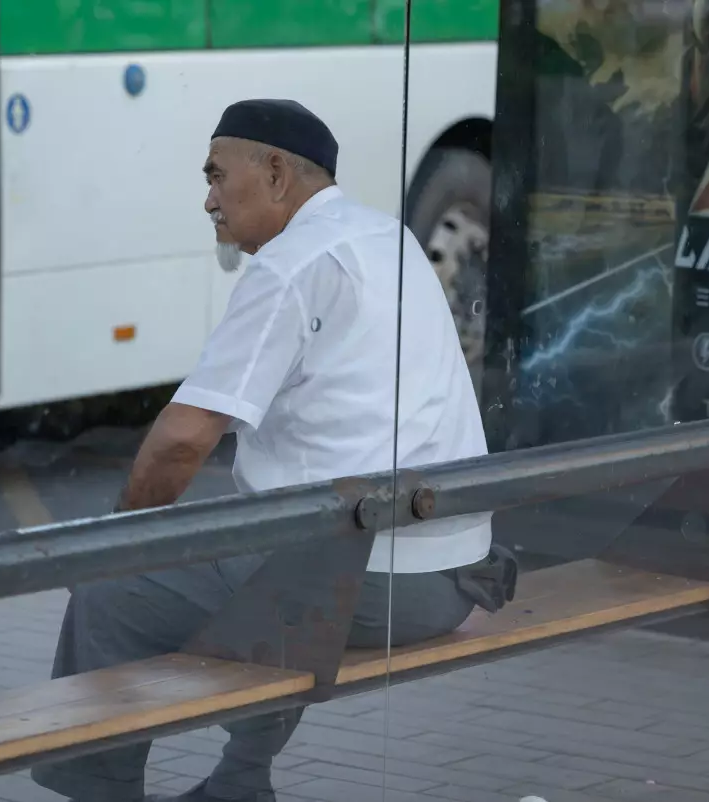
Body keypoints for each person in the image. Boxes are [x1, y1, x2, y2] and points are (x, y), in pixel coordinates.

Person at [30, 98, 510, 802]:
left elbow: (184, 439)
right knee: (278, 555)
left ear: (277, 172)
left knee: (113, 591)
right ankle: (240, 779)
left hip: (370, 585)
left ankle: (102, 792)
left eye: (218, 176)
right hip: (449, 576)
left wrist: (121, 535)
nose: (208, 200)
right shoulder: (392, 240)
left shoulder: (289, 266)